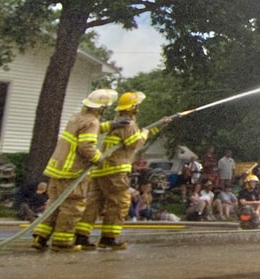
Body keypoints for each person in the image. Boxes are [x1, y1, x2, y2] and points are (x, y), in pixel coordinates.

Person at [75, 91, 168, 250]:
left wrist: (157, 127)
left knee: (94, 204)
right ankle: (108, 238)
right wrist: (146, 132)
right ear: (133, 108)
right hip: (115, 171)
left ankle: (81, 237)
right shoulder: (129, 124)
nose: (138, 110)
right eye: (137, 106)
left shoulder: (118, 122)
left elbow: (133, 138)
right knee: (119, 203)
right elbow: (135, 143)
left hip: (100, 171)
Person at [32, 88, 117, 252]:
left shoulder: (77, 118)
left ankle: (40, 237)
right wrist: (99, 158)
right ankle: (62, 243)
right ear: (102, 108)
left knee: (54, 205)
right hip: (72, 171)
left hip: (57, 168)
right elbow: (86, 147)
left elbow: (88, 129)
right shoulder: (92, 122)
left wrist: (112, 125)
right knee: (72, 207)